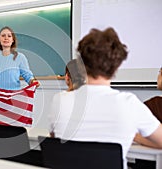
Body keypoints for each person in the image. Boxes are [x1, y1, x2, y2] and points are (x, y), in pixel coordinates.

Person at [48, 27, 162, 169]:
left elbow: (55, 139)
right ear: (116, 66)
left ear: (82, 64)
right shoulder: (129, 103)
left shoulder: (59, 100)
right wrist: (135, 136)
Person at [0, 26, 39, 90]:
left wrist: (32, 81)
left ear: (13, 40)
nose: (6, 38)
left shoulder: (20, 57)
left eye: (9, 36)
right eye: (3, 35)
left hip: (13, 96)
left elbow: (27, 74)